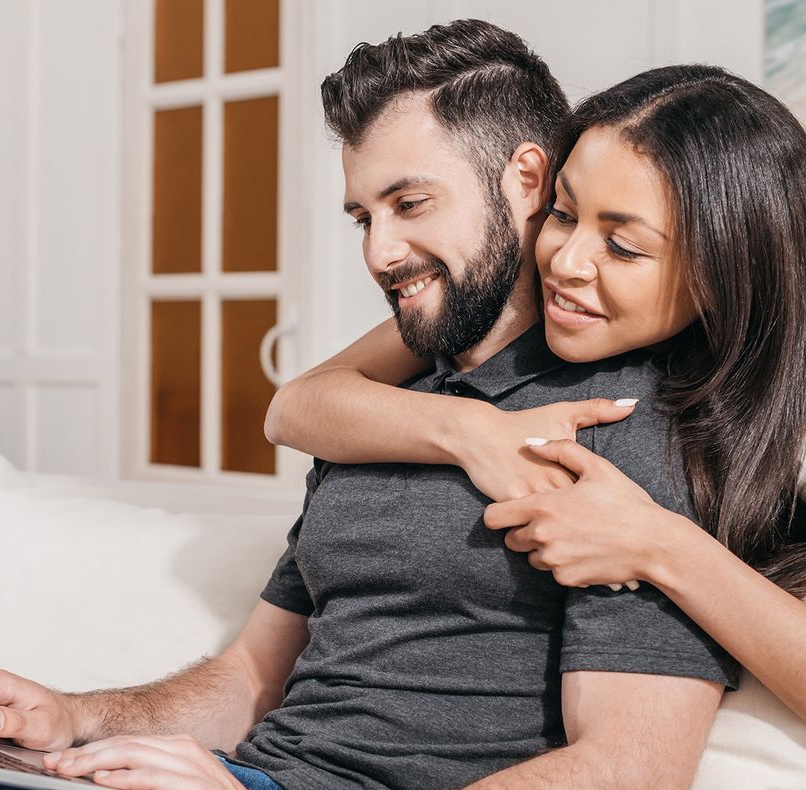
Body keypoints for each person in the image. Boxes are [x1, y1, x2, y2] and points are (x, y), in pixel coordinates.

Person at [0, 22, 737, 790]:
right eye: (363, 215)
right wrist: (76, 716)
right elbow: (251, 678)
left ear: (523, 178)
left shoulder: (617, 428)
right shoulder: (377, 410)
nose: (380, 253)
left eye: (409, 202)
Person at [267, 62, 806, 722]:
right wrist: (476, 432)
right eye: (563, 212)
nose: (565, 261)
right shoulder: (537, 310)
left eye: (623, 245)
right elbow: (298, 403)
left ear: (727, 273)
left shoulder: (701, 430)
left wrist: (663, 546)